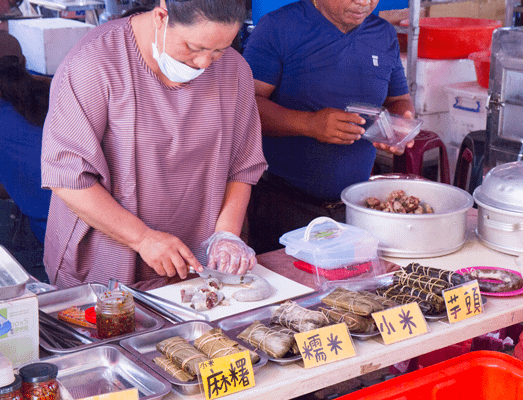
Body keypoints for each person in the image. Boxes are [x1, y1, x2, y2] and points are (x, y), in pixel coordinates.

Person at [41, 0, 267, 288]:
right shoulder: (94, 63)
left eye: (219, 50)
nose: (204, 63)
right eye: (194, 48)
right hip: (106, 257)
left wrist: (227, 236)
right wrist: (142, 238)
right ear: (161, 17)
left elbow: (243, 168)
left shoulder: (234, 71)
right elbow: (67, 177)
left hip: (198, 262)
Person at [242, 0, 416, 254]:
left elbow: (399, 100)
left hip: (357, 207)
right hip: (284, 205)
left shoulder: (383, 34)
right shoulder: (278, 28)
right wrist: (309, 124)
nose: (364, 2)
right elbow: (245, 106)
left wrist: (399, 125)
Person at [0, 29, 52, 283]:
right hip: (105, 218)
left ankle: (27, 275)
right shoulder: (58, 89)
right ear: (24, 63)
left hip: (50, 237)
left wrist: (16, 188)